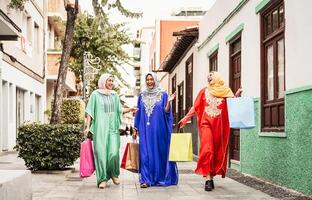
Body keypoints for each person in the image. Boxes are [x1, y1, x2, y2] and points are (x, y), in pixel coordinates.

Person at [178, 71, 242, 192]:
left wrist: (236, 96)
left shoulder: (226, 92)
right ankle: (208, 179)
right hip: (205, 124)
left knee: (217, 150)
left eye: (211, 77)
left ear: (217, 78)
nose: (209, 79)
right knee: (208, 149)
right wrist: (186, 118)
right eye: (208, 78)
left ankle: (211, 177)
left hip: (220, 127)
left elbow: (233, 104)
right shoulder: (203, 91)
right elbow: (195, 107)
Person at [84, 73, 134, 189]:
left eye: (112, 81)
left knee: (113, 153)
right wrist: (87, 127)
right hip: (100, 129)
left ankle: (113, 174)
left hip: (112, 128)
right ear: (103, 81)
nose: (111, 83)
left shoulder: (114, 95)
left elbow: (119, 110)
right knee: (101, 154)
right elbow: (90, 112)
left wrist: (130, 109)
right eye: (109, 80)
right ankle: (103, 179)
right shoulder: (95, 95)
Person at [133, 72, 178, 188]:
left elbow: (166, 112)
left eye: (151, 79)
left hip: (159, 129)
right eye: (147, 79)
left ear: (155, 80)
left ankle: (159, 177)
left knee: (159, 152)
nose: (149, 82)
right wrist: (135, 128)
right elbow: (138, 112)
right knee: (145, 153)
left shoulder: (163, 95)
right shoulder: (141, 95)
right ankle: (146, 179)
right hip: (145, 129)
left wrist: (169, 102)